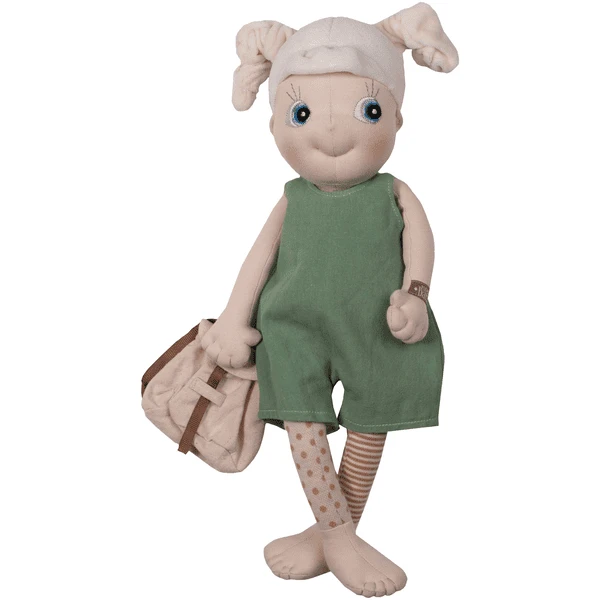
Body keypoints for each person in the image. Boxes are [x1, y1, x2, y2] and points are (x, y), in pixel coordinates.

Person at [200, 4, 458, 595]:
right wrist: (234, 319)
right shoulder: (292, 197)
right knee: (302, 420)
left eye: (369, 111)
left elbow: (420, 244)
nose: (331, 133)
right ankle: (341, 537)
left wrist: (416, 295)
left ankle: (330, 536)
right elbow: (258, 259)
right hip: (292, 327)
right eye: (302, 113)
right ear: (275, 125)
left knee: (373, 416)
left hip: (380, 324)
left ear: (396, 117)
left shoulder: (393, 192)